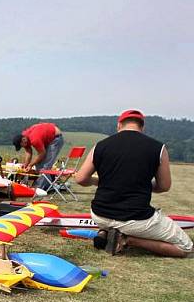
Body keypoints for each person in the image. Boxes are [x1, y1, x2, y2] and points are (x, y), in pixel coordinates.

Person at [74, 109, 192, 257]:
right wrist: (142, 185)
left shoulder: (100, 145)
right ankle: (128, 239)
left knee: (109, 221)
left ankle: (104, 230)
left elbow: (80, 179)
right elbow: (164, 186)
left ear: (119, 125)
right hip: (135, 219)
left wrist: (100, 182)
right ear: (142, 127)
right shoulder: (158, 148)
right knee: (185, 248)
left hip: (100, 214)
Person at [12, 122, 64, 190]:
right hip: (47, 137)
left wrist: (30, 165)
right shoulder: (24, 137)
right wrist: (26, 164)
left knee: (46, 165)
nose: (22, 147)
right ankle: (48, 186)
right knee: (38, 165)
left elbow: (42, 154)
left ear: (23, 140)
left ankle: (38, 188)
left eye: (21, 146)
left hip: (56, 139)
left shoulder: (34, 139)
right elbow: (28, 151)